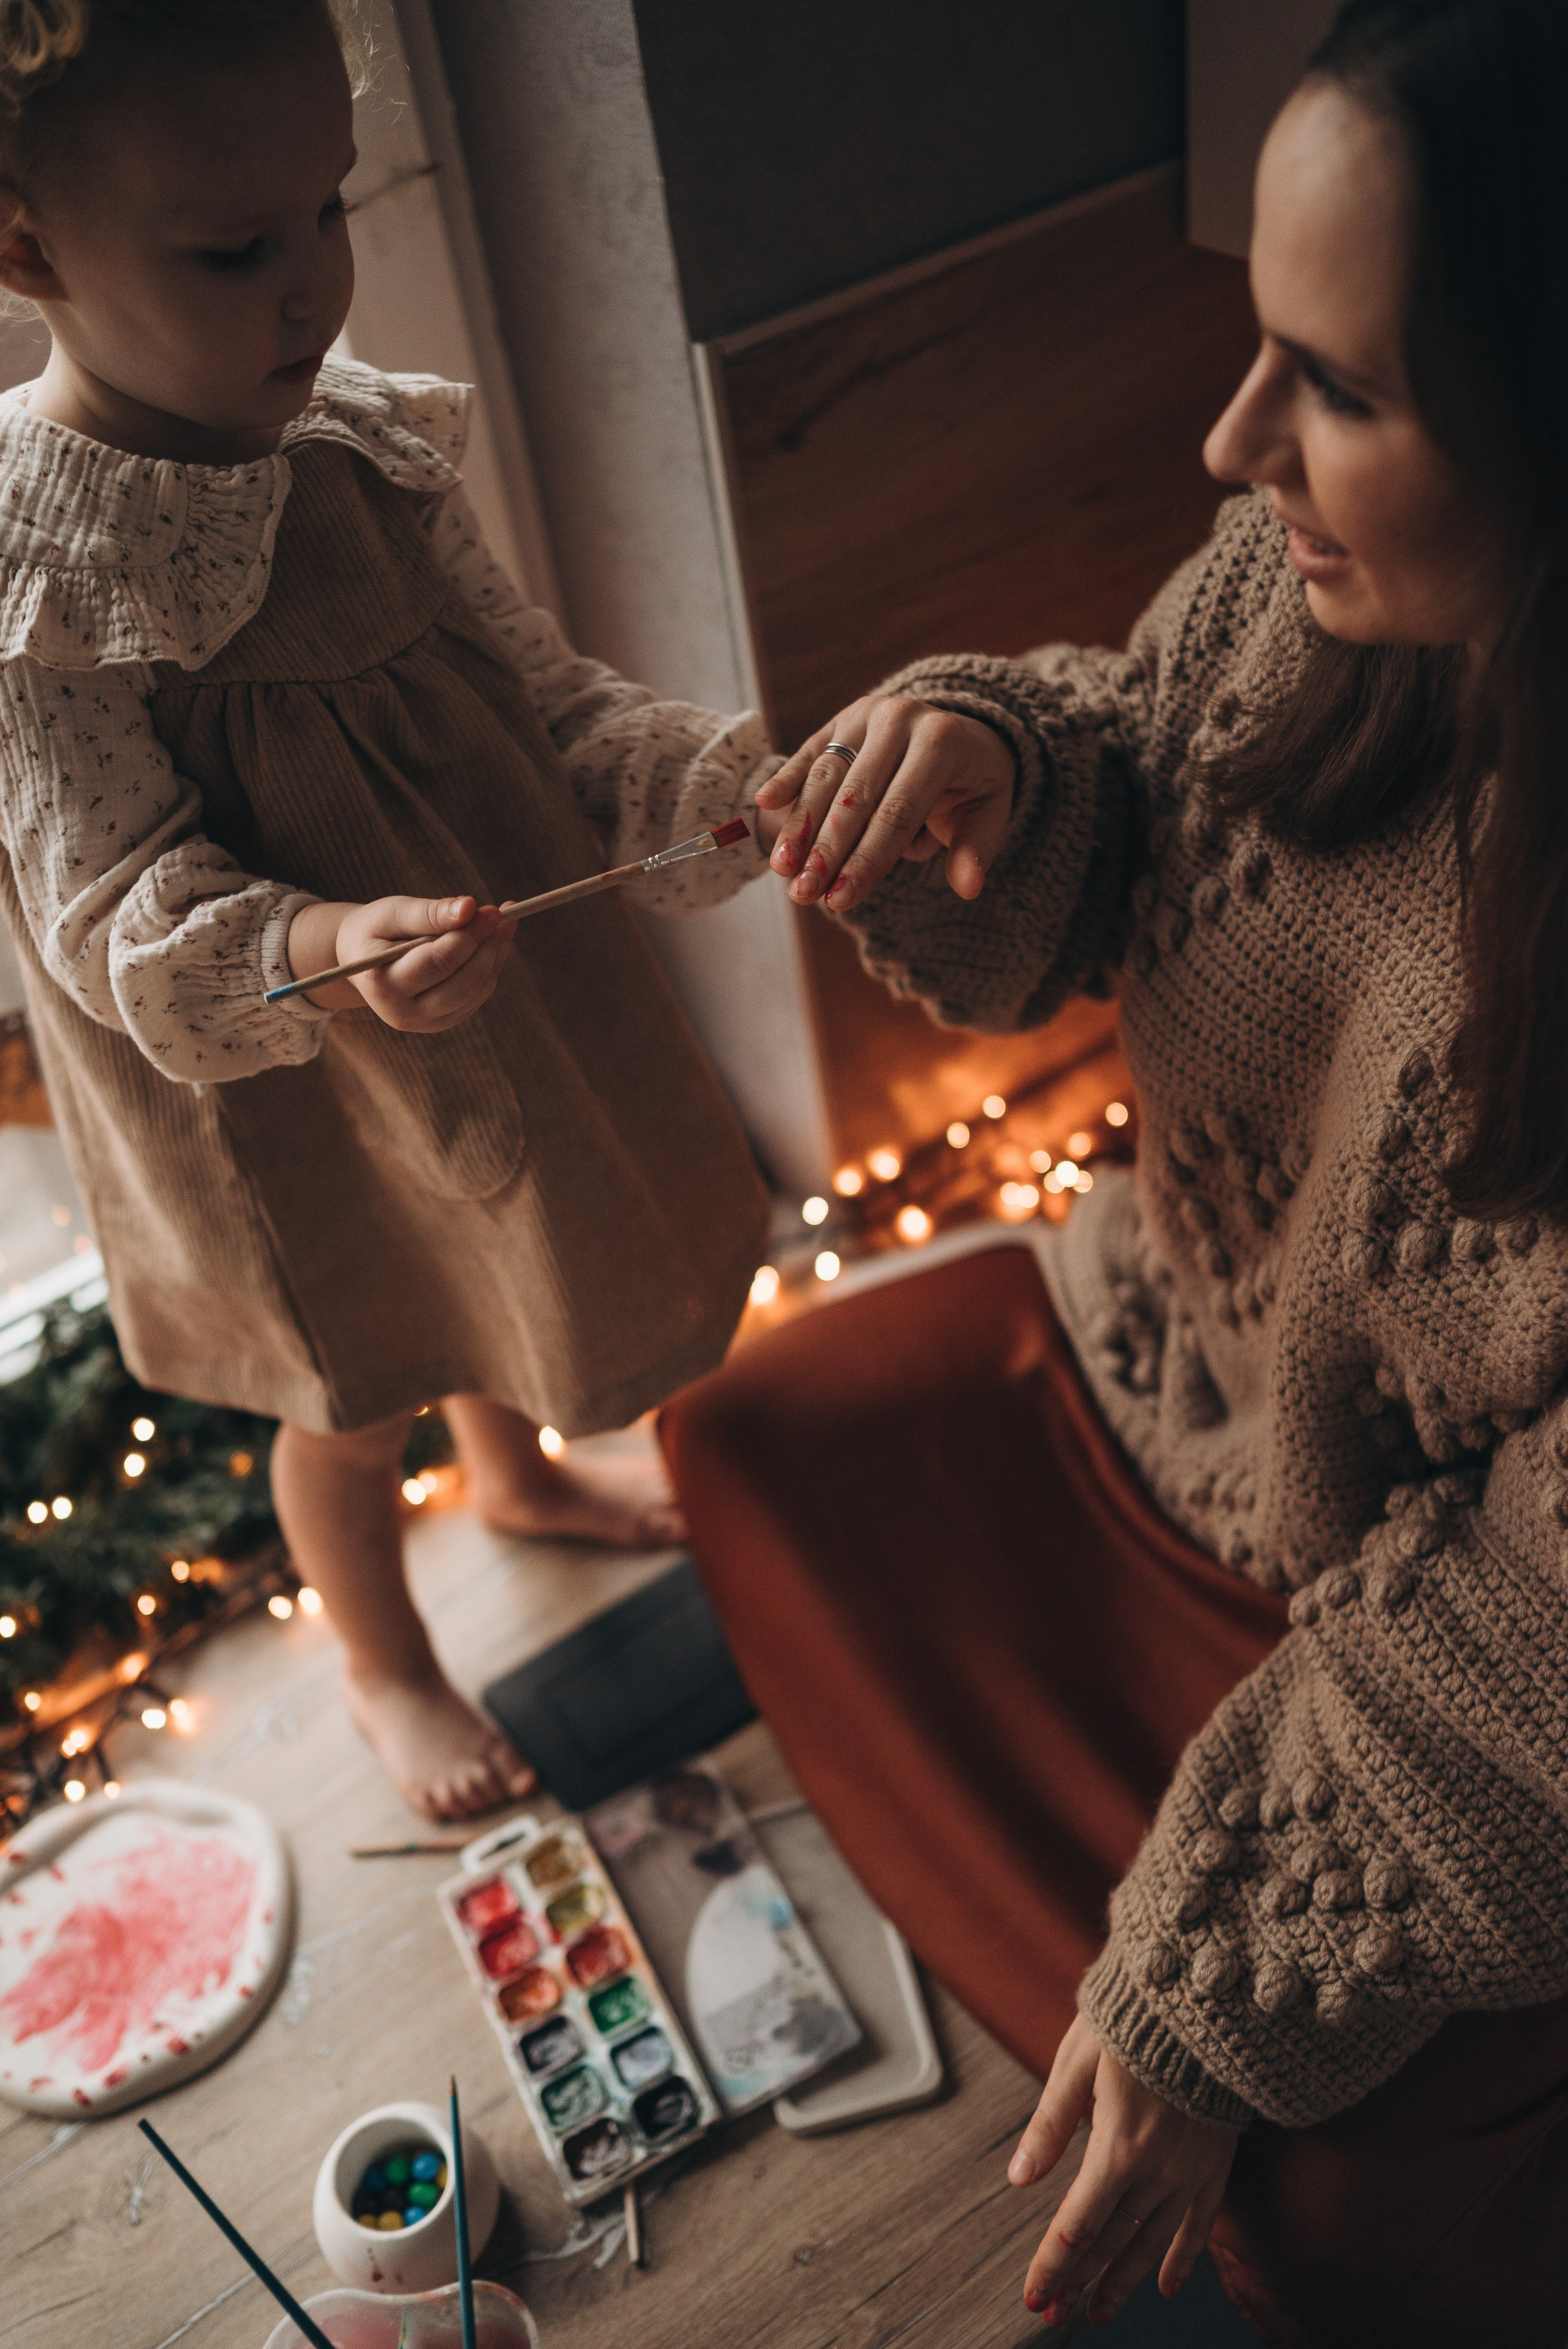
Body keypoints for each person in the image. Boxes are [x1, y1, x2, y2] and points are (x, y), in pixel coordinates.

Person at [719, 0, 1568, 2337]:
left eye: (1344, 388)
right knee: (750, 1436)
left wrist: (1219, 1967)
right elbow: (1135, 761)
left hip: (1439, 1688)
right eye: (1253, 341)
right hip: (1160, 1390)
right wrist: (1005, 759)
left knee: (1312, 2227)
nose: (1230, 439)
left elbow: (1544, 1638)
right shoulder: (1309, 591)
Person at [0, 0, 791, 1820]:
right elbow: (112, 904)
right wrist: (318, 950)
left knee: (498, 1253)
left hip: (478, 982)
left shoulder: (360, 438)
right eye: (235, 248)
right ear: (26, 249)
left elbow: (546, 696)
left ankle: (513, 1482)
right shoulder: (41, 574)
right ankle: (383, 1654)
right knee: (356, 1373)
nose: (313, 291)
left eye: (333, 212)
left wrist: (686, 784)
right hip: (276, 1074)